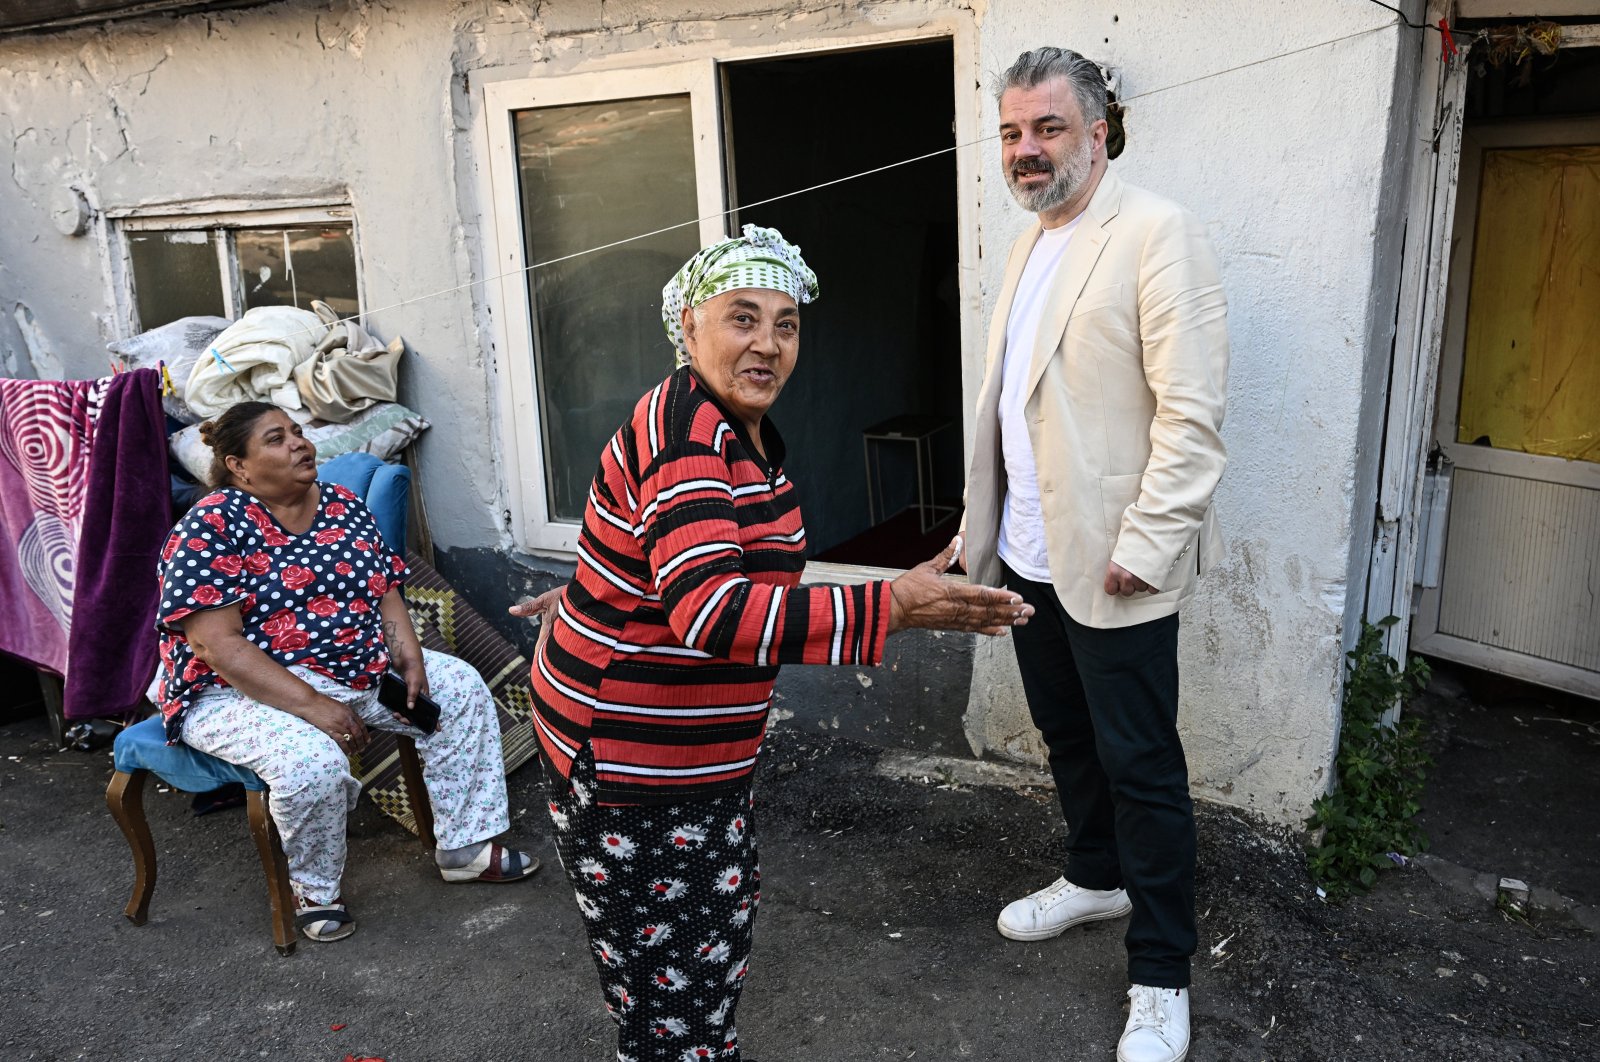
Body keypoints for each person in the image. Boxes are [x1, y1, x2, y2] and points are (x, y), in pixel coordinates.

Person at [512, 224, 1033, 1061]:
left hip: (686, 755)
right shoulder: (687, 437)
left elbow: (664, 560)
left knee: (694, 972)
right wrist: (890, 607)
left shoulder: (729, 426)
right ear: (688, 326)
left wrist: (592, 586)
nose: (767, 344)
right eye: (742, 318)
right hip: (637, 766)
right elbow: (714, 612)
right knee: (672, 1000)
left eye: (786, 324)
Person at [961, 47, 1229, 1062]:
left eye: (1048, 130)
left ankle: (1160, 973)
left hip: (1116, 561)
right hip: (1030, 557)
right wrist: (978, 528)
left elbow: (1193, 418)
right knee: (1066, 738)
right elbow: (1015, 407)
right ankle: (1094, 876)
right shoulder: (1030, 242)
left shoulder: (1155, 234)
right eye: (1012, 133)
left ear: (1097, 131)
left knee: (1142, 765)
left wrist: (1149, 544)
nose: (1026, 152)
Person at [154, 401, 538, 944]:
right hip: (235, 693)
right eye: (275, 439)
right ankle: (314, 891)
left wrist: (409, 654)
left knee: (456, 688)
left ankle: (466, 847)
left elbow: (384, 590)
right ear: (238, 466)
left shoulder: (341, 505)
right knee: (311, 763)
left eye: (298, 432)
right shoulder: (210, 527)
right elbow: (214, 644)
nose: (298, 443)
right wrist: (314, 707)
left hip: (354, 671)